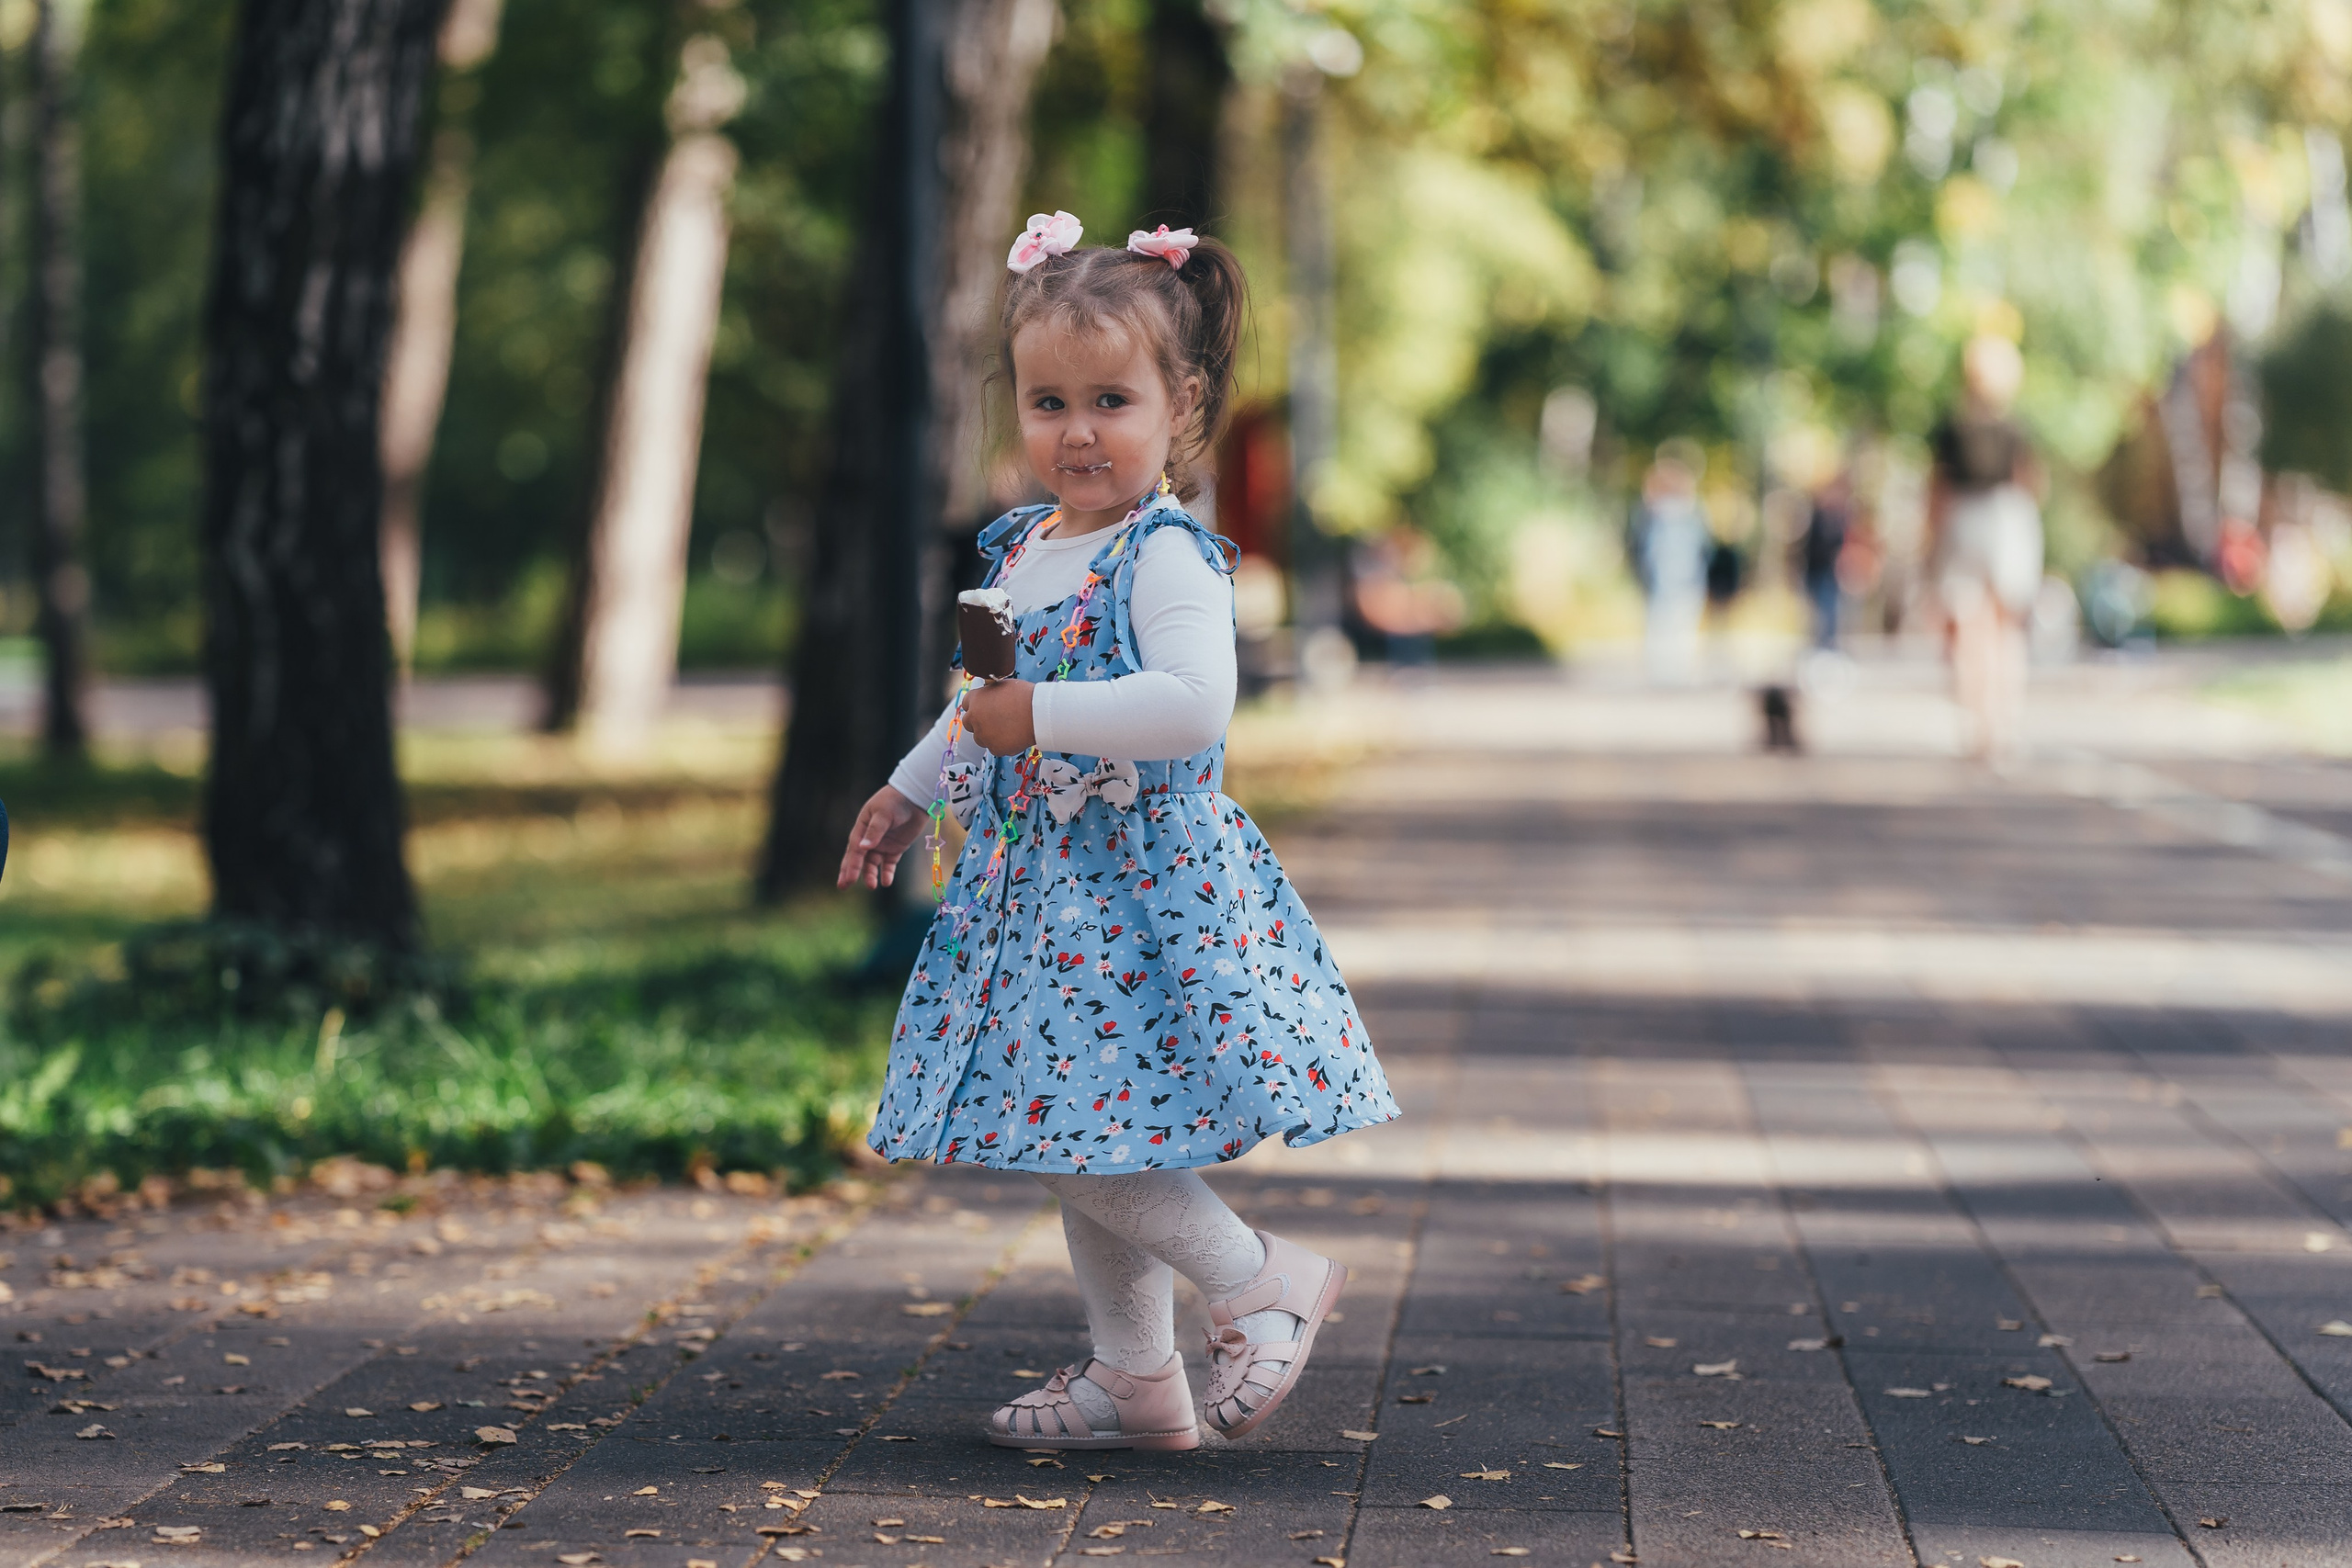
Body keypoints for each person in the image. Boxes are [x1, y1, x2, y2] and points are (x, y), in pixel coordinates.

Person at [836, 211, 1400, 1453]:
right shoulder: (1023, 546)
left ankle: (1261, 1277)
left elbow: (1193, 703)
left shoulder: (1165, 554)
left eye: (1110, 399)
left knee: (1063, 1116)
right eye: (1048, 403)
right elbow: (980, 707)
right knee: (1088, 1117)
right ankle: (1137, 1373)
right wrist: (910, 782)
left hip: (1138, 885)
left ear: (1178, 402)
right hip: (1040, 885)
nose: (1077, 431)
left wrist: (1039, 710)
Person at [1928, 335, 2042, 762]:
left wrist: (1931, 546)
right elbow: (2028, 483)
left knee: (1969, 631)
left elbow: (1937, 492)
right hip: (2007, 522)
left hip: (1964, 523)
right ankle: (2005, 726)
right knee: (2007, 632)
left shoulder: (1951, 428)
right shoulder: (2017, 428)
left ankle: (1976, 727)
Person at [1630, 445, 1711, 682]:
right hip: (1669, 576)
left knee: (1671, 621)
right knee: (1669, 621)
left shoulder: (1687, 513)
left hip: (1677, 576)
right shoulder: (1658, 514)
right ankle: (1669, 668)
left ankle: (1670, 668)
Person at [1799, 470, 1852, 650]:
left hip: (1830, 572)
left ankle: (1828, 643)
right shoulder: (1819, 516)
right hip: (1816, 570)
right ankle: (1819, 643)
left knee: (1831, 608)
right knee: (1819, 609)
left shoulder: (1839, 517)